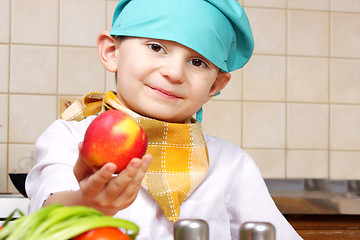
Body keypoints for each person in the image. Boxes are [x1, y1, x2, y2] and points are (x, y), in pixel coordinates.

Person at [26, 0, 303, 239]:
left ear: (214, 86)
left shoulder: (231, 164)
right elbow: (46, 214)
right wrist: (84, 203)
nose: (174, 72)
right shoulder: (68, 138)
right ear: (112, 52)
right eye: (156, 47)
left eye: (197, 62)